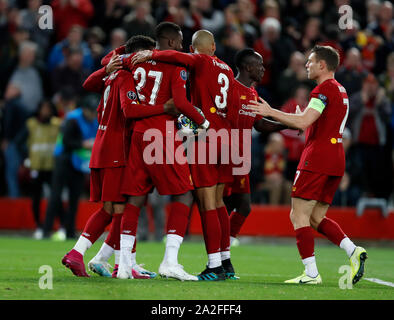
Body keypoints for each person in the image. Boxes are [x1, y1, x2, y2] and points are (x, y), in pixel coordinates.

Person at [247, 45, 367, 285]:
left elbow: (303, 121)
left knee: (298, 214)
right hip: (335, 158)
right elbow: (310, 123)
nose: (307, 65)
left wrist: (270, 111)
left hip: (317, 158)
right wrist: (304, 122)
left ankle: (311, 273)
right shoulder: (340, 90)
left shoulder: (323, 90)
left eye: (310, 61)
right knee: (316, 217)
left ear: (322, 65)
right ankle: (353, 250)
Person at [130, 29, 240, 281]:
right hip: (226, 137)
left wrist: (152, 53)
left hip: (205, 136)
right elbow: (232, 107)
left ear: (193, 49)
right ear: (213, 46)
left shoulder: (198, 59)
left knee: (206, 202)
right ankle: (226, 262)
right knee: (220, 201)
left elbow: (176, 57)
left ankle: (214, 266)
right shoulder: (227, 70)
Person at [62, 35, 169, 278]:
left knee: (115, 208)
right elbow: (130, 110)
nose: (150, 61)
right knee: (121, 208)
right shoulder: (124, 76)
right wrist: (166, 108)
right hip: (115, 150)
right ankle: (90, 256)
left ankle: (105, 259)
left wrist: (118, 57)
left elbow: (89, 83)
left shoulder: (112, 74)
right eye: (146, 55)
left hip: (103, 147)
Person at [116, 22, 208, 280]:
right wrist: (202, 122)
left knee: (134, 199)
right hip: (163, 137)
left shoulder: (132, 62)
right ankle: (170, 262)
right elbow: (179, 103)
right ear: (169, 42)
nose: (180, 46)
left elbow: (107, 61)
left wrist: (126, 52)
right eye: (178, 42)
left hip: (137, 136)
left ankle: (123, 266)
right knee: (183, 196)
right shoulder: (177, 66)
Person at [223, 48, 287, 246]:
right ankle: (218, 253)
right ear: (248, 67)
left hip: (241, 159)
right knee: (224, 204)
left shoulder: (252, 93)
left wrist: (289, 123)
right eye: (259, 66)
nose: (263, 70)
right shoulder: (229, 89)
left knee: (242, 206)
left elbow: (260, 124)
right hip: (223, 154)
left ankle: (223, 246)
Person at [42, 94, 98, 240]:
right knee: (56, 195)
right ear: (84, 109)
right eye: (91, 111)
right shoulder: (73, 118)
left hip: (78, 161)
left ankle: (70, 231)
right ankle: (46, 230)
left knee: (74, 198)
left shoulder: (96, 119)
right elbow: (67, 141)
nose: (93, 115)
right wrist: (83, 144)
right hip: (64, 158)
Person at [24, 100, 61, 239]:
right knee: (36, 199)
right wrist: (26, 159)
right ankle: (38, 227)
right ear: (39, 109)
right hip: (36, 166)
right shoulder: (31, 124)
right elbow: (21, 142)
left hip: (52, 166)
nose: (46, 111)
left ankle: (61, 226)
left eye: (48, 108)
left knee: (55, 197)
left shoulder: (57, 124)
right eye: (43, 108)